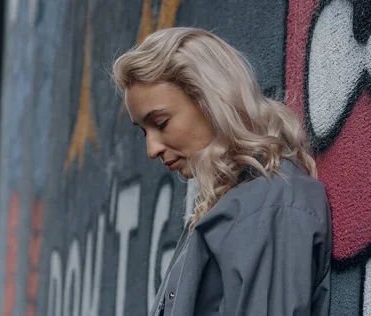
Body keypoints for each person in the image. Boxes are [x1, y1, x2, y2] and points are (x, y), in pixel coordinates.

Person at [112, 27, 332, 316]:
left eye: (161, 123)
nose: (152, 149)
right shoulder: (237, 205)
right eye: (144, 131)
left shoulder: (268, 206)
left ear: (210, 101)